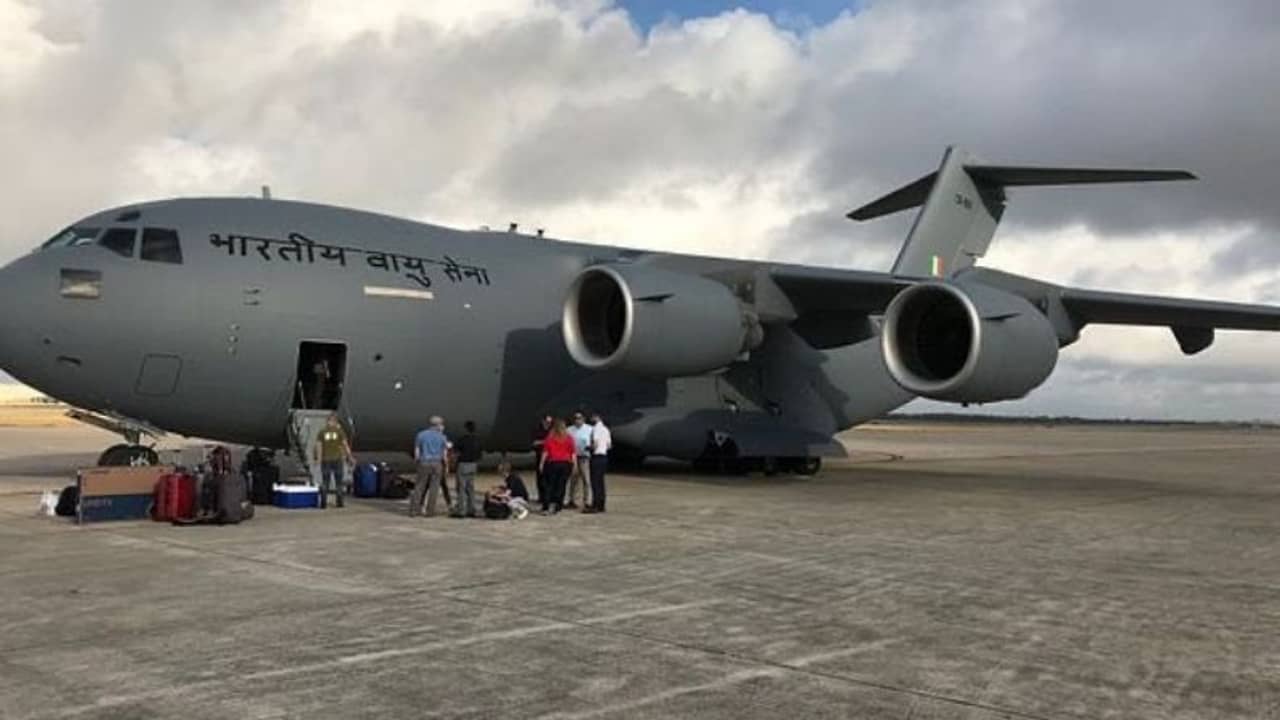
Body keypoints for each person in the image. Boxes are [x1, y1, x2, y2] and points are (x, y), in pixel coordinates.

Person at [410, 416, 449, 517]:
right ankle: (430, 511)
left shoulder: (421, 435)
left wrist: (417, 461)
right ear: (438, 425)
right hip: (436, 463)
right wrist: (446, 465)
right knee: (434, 488)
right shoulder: (442, 437)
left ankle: (414, 510)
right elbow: (444, 454)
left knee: (419, 486)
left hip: (424, 461)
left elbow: (417, 450)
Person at [313, 414, 353, 509]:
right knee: (339, 482)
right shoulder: (340, 432)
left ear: (327, 421)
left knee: (325, 481)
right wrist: (349, 457)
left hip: (325, 460)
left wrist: (317, 459)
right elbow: (345, 445)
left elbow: (318, 446)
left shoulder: (322, 432)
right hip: (337, 459)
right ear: (335, 422)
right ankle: (339, 503)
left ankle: (323, 503)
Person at [538, 418, 575, 514]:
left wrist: (541, 463)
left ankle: (547, 505)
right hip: (566, 464)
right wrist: (574, 465)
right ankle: (558, 505)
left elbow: (545, 452)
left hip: (553, 463)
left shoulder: (550, 438)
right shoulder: (569, 438)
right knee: (561, 486)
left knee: (549, 485)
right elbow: (573, 453)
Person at [451, 420, 482, 518]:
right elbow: (480, 455)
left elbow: (455, 451)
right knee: (471, 488)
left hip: (463, 464)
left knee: (461, 488)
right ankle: (472, 509)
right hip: (473, 464)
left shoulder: (463, 439)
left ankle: (461, 510)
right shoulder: (478, 440)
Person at [584, 412, 611, 514]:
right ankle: (601, 504)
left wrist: (588, 448)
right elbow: (609, 445)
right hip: (604, 457)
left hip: (596, 457)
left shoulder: (595, 429)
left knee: (595, 482)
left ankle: (595, 505)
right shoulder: (606, 429)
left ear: (597, 417)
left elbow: (595, 444)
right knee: (601, 482)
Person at [566, 412, 593, 509]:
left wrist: (589, 448)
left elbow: (593, 442)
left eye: (580, 418)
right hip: (573, 456)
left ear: (583, 419)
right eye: (576, 418)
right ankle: (572, 500)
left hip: (584, 456)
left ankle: (587, 501)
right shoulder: (569, 430)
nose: (577, 420)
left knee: (586, 479)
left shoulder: (589, 429)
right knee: (573, 479)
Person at [531, 415, 552, 504]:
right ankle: (541, 497)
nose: (548, 424)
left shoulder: (552, 431)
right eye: (547, 422)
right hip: (539, 456)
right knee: (540, 478)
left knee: (549, 479)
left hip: (550, 458)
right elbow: (534, 443)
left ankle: (549, 497)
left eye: (550, 422)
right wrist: (545, 442)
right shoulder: (538, 431)